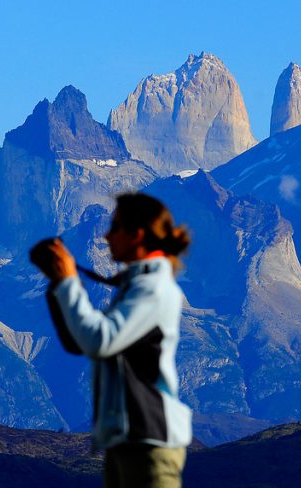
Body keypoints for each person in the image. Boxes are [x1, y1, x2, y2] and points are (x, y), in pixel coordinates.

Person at [31, 192, 192, 488]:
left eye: (115, 227)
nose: (106, 235)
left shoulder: (152, 289)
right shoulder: (138, 285)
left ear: (137, 235)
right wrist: (59, 283)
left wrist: (68, 282)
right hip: (132, 439)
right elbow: (80, 343)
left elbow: (99, 341)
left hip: (148, 439)